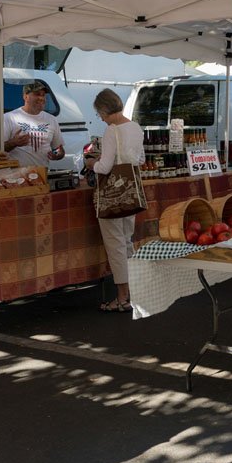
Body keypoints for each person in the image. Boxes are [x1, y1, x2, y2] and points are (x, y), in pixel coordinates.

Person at [84, 88, 145, 313]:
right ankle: (132, 293)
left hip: (112, 194)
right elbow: (140, 158)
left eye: (99, 113)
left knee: (115, 245)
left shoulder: (112, 130)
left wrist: (93, 164)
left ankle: (121, 297)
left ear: (103, 109)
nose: (99, 117)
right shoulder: (136, 127)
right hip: (130, 191)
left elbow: (105, 167)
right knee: (127, 242)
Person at [2, 80, 65, 167]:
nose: (41, 98)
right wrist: (13, 143)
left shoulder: (52, 119)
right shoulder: (9, 118)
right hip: (16, 176)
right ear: (25, 97)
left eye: (43, 95)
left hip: (41, 176)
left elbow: (58, 149)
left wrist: (57, 154)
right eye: (37, 94)